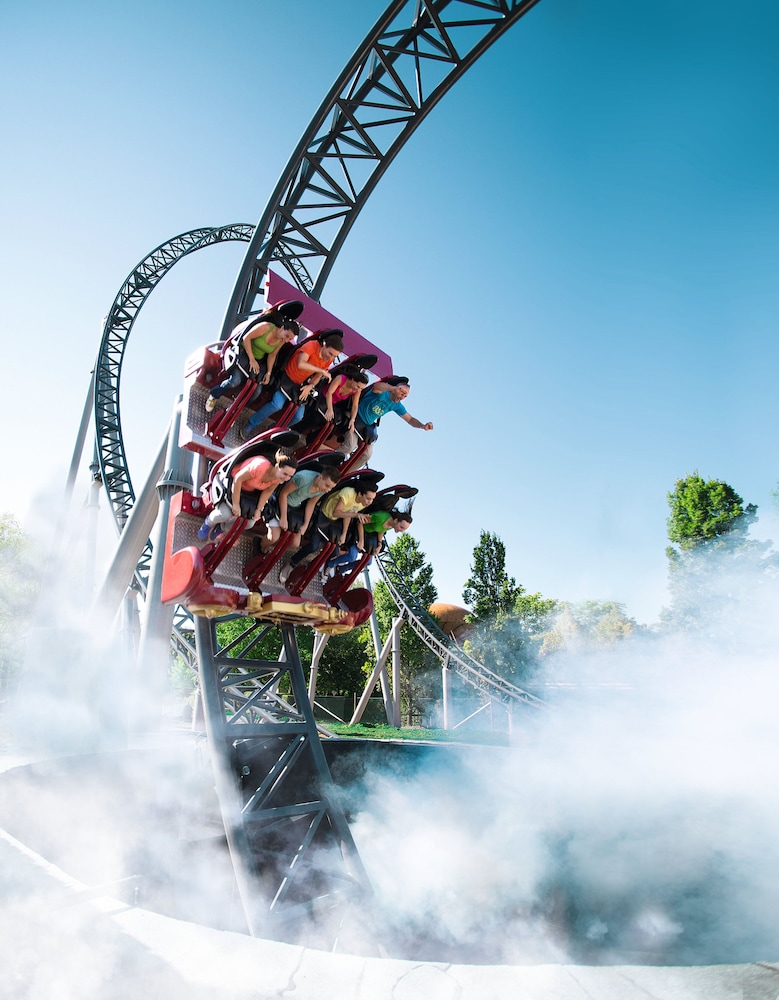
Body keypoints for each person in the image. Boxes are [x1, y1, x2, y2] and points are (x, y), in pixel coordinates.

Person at [241, 329, 344, 438]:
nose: (331, 358)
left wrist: (310, 386)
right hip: (286, 377)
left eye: (334, 356)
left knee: (298, 416)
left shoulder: (328, 359)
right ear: (324, 344)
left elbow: (317, 376)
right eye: (330, 353)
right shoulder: (311, 346)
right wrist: (321, 370)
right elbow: (301, 364)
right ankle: (251, 424)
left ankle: (272, 431)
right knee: (277, 405)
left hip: (299, 384)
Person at [204, 302, 302, 412]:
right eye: (287, 336)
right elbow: (246, 338)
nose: (287, 340)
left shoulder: (281, 340)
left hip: (257, 360)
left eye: (290, 339)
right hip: (244, 353)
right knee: (235, 381)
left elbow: (272, 355)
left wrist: (268, 373)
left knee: (256, 392)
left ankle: (234, 408)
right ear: (282, 328)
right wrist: (251, 359)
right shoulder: (266, 327)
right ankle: (214, 395)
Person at [279, 481, 377, 585]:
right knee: (314, 546)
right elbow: (337, 512)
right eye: (368, 498)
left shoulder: (361, 503)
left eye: (372, 499)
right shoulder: (348, 493)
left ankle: (310, 567)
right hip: (322, 516)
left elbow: (348, 514)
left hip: (334, 522)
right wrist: (356, 515)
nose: (370, 502)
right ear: (360, 494)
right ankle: (292, 563)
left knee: (334, 552)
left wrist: (344, 533)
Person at [197, 451, 297, 540]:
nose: (287, 478)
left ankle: (222, 527)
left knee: (250, 523)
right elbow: (237, 479)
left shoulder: (277, 478)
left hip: (248, 492)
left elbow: (267, 492)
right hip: (231, 484)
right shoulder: (261, 466)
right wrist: (236, 504)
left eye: (290, 476)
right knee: (224, 514)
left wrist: (258, 510)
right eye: (285, 474)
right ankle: (207, 523)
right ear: (277, 467)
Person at [262, 464, 341, 552]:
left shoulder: (322, 489)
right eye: (327, 485)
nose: (328, 490)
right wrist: (283, 517)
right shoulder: (303, 478)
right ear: (320, 477)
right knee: (273, 538)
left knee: (294, 543)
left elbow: (311, 504)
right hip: (279, 503)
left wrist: (305, 525)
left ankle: (270, 546)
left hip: (294, 508)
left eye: (331, 488)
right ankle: (262, 546)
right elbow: (283, 494)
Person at [352, 377, 433, 461]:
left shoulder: (397, 405)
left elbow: (410, 419)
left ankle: (346, 469)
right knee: (350, 445)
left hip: (367, 425)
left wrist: (422, 426)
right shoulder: (384, 392)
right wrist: (393, 388)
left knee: (367, 455)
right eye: (402, 393)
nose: (402, 397)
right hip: (357, 416)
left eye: (405, 396)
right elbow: (376, 386)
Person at [292, 364, 368, 448]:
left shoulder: (357, 390)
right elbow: (329, 393)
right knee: (316, 418)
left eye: (361, 388)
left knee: (331, 430)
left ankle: (308, 441)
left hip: (333, 404)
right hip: (323, 397)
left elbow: (355, 406)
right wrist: (330, 409)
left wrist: (352, 420)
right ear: (352, 380)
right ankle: (295, 431)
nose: (358, 389)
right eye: (358, 386)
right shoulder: (341, 378)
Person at [325, 509, 412, 577]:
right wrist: (361, 540)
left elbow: (381, 530)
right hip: (357, 532)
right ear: (396, 520)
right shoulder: (381, 517)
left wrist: (379, 544)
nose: (401, 531)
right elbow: (360, 522)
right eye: (401, 527)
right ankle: (330, 564)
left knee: (368, 562)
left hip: (368, 537)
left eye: (404, 529)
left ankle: (341, 569)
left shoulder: (391, 525)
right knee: (352, 556)